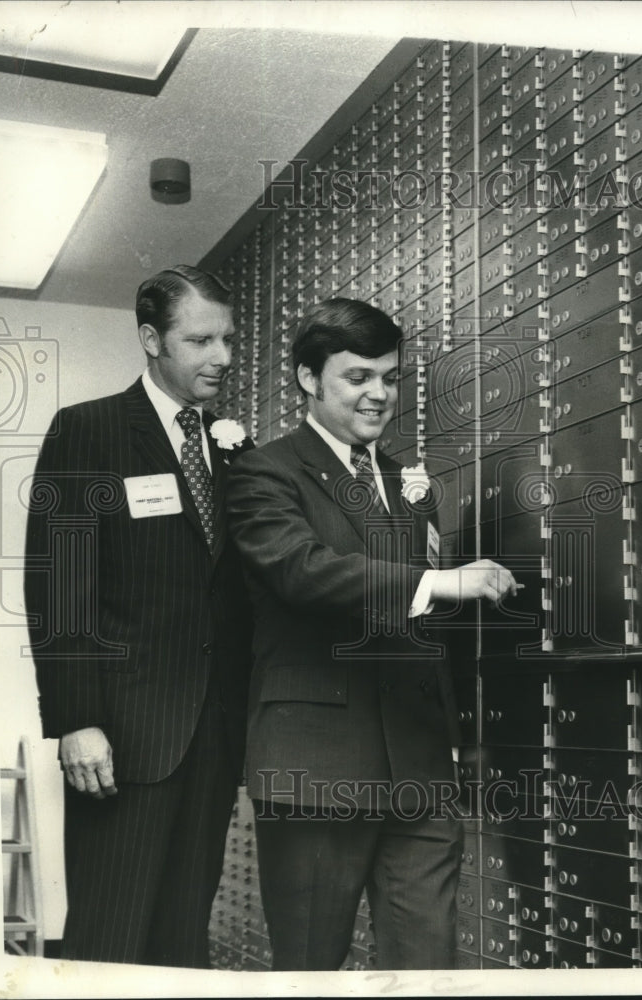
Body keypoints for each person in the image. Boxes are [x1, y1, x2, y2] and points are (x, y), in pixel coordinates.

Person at [227, 297, 520, 970]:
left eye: (390, 377)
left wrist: (455, 739)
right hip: (318, 769)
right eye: (358, 377)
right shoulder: (264, 472)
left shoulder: (405, 483)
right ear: (308, 378)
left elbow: (423, 634)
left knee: (427, 969)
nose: (380, 394)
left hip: (418, 770)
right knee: (310, 970)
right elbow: (305, 573)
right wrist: (443, 583)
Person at [24, 265, 253, 967]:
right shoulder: (88, 430)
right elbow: (60, 587)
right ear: (152, 339)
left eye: (228, 339)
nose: (221, 357)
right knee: (109, 937)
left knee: (185, 940)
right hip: (121, 741)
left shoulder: (234, 448)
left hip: (212, 737)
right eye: (201, 340)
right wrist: (76, 721)